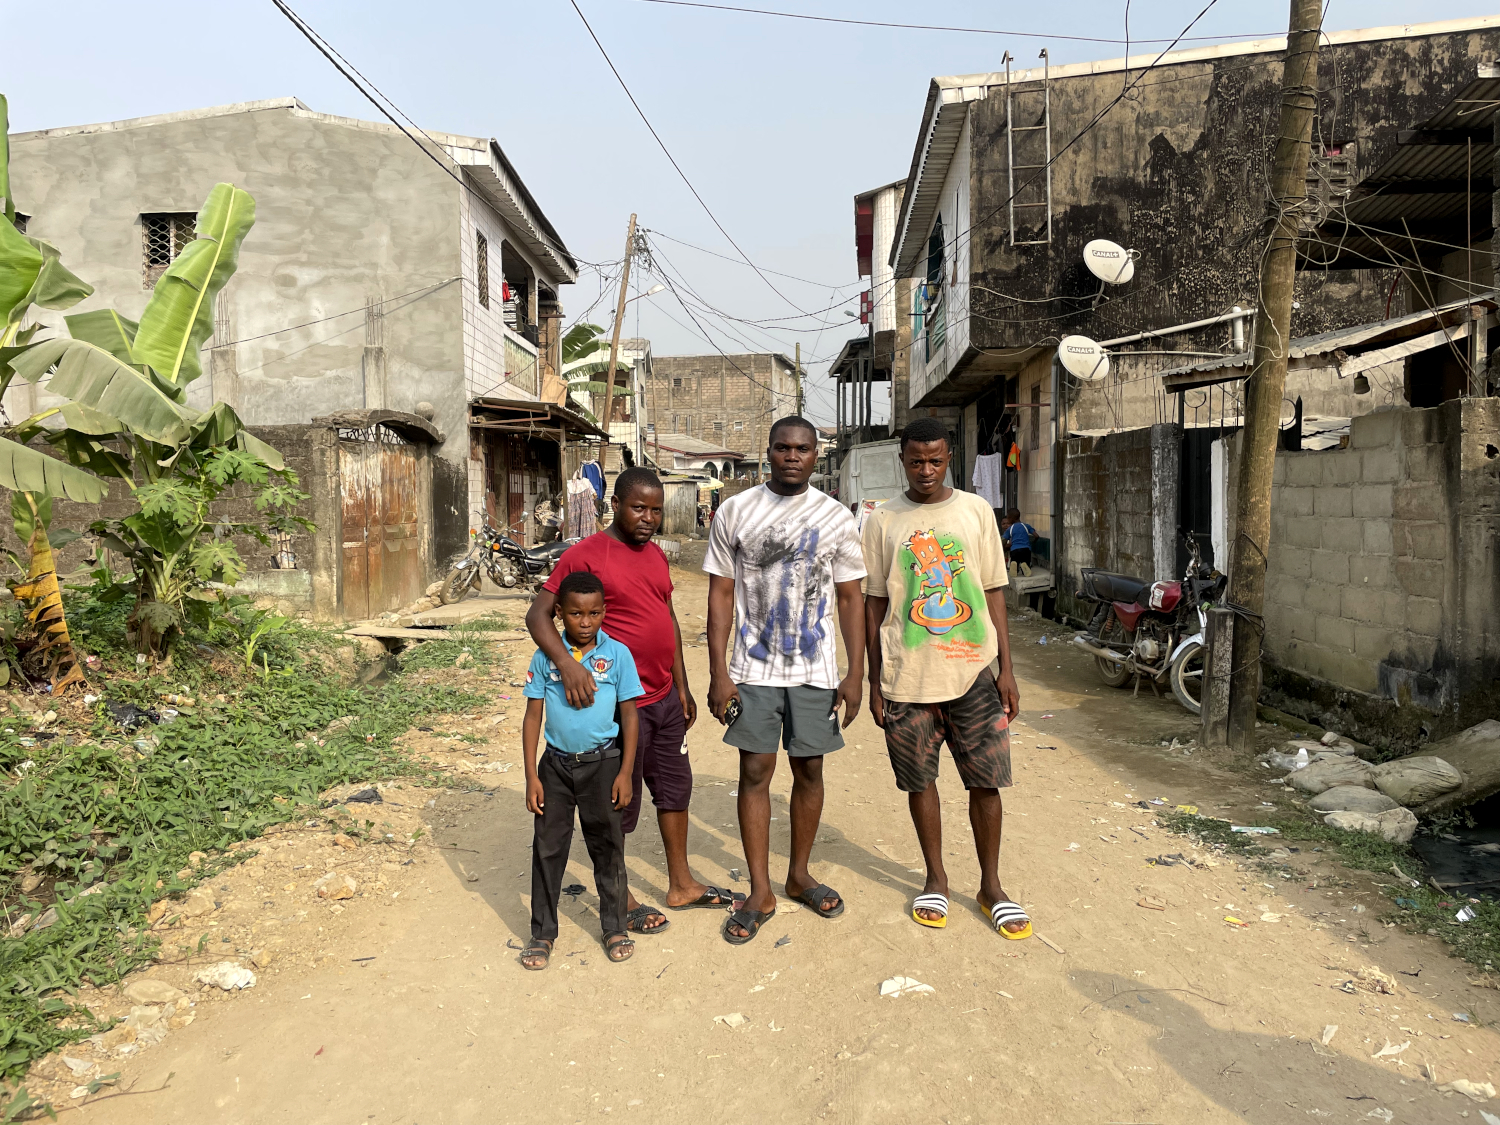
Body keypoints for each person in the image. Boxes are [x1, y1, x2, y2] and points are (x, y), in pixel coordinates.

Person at [526, 467, 740, 940]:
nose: (648, 518)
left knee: (675, 789)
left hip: (664, 698)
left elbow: (664, 620)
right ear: (616, 505)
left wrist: (682, 686)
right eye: (638, 507)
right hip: (620, 705)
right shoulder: (587, 554)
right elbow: (538, 614)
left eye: (656, 509)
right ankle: (620, 897)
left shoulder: (657, 557)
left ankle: (681, 883)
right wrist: (567, 664)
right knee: (616, 804)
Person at [860, 417, 1030, 939]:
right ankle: (935, 878)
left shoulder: (975, 511)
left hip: (973, 673)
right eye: (916, 461)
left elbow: (994, 591)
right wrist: (873, 679)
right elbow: (874, 603)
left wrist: (1006, 668)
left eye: (935, 460)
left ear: (949, 457)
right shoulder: (883, 520)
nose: (926, 470)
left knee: (987, 782)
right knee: (920, 782)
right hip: (907, 677)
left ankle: (991, 886)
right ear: (902, 461)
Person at [704, 416, 867, 945]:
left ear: (816, 455)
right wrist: (719, 672)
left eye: (802, 448)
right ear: (768, 451)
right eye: (782, 447)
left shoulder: (836, 516)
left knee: (810, 770)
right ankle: (760, 890)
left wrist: (855, 673)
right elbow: (722, 595)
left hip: (815, 670)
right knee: (754, 770)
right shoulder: (736, 511)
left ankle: (798, 874)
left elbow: (850, 599)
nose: (792, 456)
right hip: (752, 669)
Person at [519, 571, 642, 970]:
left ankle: (614, 926)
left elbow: (629, 715)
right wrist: (531, 776)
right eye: (575, 614)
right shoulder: (544, 658)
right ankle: (542, 934)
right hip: (555, 767)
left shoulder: (618, 655)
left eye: (593, 613)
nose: (585, 622)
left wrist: (625, 772)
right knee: (548, 849)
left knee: (607, 848)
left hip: (603, 765)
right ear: (559, 614)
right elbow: (532, 716)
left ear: (604, 612)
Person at [1003, 507, 1037, 577]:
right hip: (1025, 549)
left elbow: (1004, 540)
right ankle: (1024, 565)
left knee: (1015, 561)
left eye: (1008, 518)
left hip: (1014, 549)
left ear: (1011, 518)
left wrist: (1003, 547)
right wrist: (1033, 542)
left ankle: (1014, 563)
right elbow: (1036, 536)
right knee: (1026, 563)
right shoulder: (1026, 526)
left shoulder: (1010, 528)